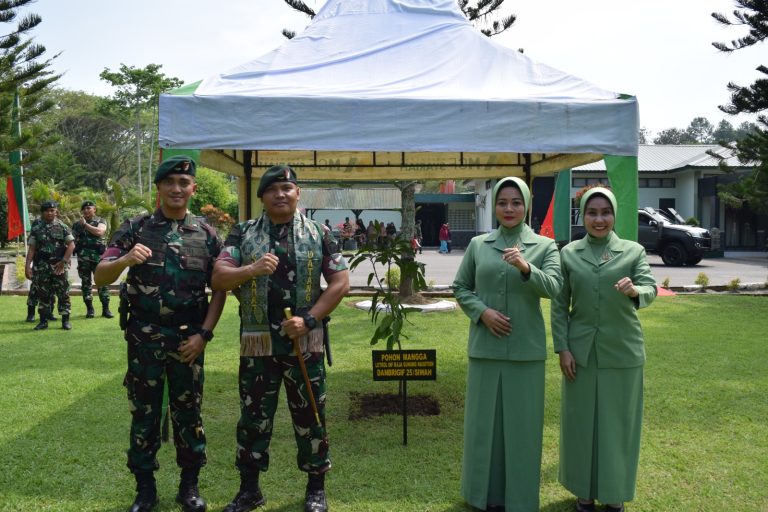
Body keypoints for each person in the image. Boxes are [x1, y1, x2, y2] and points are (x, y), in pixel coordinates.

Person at [212, 164, 349, 512]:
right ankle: (249, 490)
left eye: (287, 188)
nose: (280, 194)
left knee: (312, 416)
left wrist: (309, 319)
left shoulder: (320, 233)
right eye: (272, 189)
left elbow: (340, 282)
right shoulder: (242, 234)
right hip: (259, 345)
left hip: (304, 342)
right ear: (262, 197)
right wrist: (251, 269)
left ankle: (316, 488)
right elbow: (220, 277)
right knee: (254, 418)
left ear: (298, 193)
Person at [95, 155, 227, 512]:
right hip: (145, 341)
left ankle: (189, 487)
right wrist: (124, 261)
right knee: (144, 414)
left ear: (193, 189)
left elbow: (221, 289)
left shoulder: (207, 234)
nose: (176, 188)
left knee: (189, 414)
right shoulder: (135, 228)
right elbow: (100, 275)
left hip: (189, 342)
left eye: (183, 183)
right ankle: (145, 489)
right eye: (169, 182)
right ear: (159, 188)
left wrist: (204, 334)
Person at [453, 177, 562, 512]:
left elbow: (555, 288)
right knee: (482, 427)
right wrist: (482, 312)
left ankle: (520, 498)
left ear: (527, 205)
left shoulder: (545, 247)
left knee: (522, 429)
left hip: (525, 353)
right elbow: (461, 287)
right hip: (485, 350)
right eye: (503, 203)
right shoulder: (478, 244)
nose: (509, 208)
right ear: (494, 207)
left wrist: (526, 267)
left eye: (516, 202)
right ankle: (480, 495)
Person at [551, 187, 657, 512]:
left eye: (605, 212)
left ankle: (613, 494)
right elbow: (558, 306)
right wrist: (563, 349)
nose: (599, 219)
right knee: (581, 424)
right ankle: (584, 492)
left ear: (614, 215)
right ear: (582, 216)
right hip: (580, 355)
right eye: (592, 213)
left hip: (622, 352)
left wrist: (635, 290)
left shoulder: (632, 251)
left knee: (617, 426)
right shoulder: (568, 254)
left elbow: (651, 288)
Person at [25, 200, 75, 330]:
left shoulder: (62, 227)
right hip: (42, 267)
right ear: (42, 213)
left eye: (52, 210)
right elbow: (31, 249)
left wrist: (64, 261)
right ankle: (43, 321)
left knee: (63, 293)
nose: (50, 213)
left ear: (56, 211)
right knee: (43, 294)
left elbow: (71, 245)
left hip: (58, 266)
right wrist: (27, 266)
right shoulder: (36, 229)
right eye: (47, 211)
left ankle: (65, 321)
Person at [72, 200, 113, 319]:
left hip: (98, 257)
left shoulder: (100, 221)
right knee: (85, 284)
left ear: (94, 210)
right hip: (83, 258)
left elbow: (99, 232)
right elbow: (71, 240)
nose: (86, 210)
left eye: (89, 208)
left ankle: (106, 309)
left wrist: (85, 225)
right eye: (84, 209)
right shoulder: (77, 224)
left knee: (102, 282)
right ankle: (90, 309)